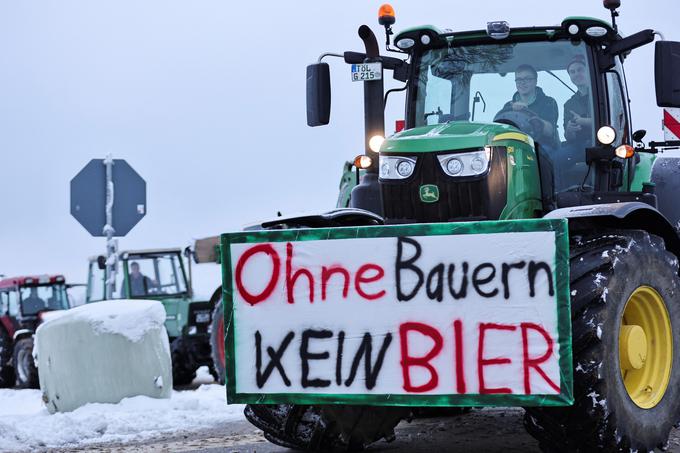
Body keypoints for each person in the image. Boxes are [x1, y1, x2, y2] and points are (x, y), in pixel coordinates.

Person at [499, 64, 559, 145]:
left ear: (535, 81)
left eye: (527, 79)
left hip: (542, 148)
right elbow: (502, 129)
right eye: (519, 79)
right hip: (515, 145)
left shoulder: (549, 102)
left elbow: (550, 131)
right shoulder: (508, 106)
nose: (522, 83)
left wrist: (528, 114)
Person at [563, 55, 593, 146]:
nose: (576, 74)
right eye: (572, 72)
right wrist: (569, 130)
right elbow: (568, 137)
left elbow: (609, 122)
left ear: (588, 71)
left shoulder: (602, 92)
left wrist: (582, 121)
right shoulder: (569, 104)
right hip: (578, 147)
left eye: (580, 70)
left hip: (601, 143)